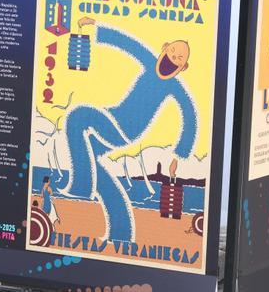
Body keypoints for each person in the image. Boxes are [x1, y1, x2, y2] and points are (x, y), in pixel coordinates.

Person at [59, 17, 198, 242]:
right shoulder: (150, 60)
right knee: (92, 162)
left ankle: (82, 186)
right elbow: (128, 44)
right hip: (113, 117)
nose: (173, 57)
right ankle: (121, 231)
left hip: (124, 129)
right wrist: (95, 26)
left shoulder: (175, 87)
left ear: (183, 67)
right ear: (164, 48)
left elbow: (190, 116)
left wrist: (178, 155)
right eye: (172, 51)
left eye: (179, 58)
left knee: (78, 116)